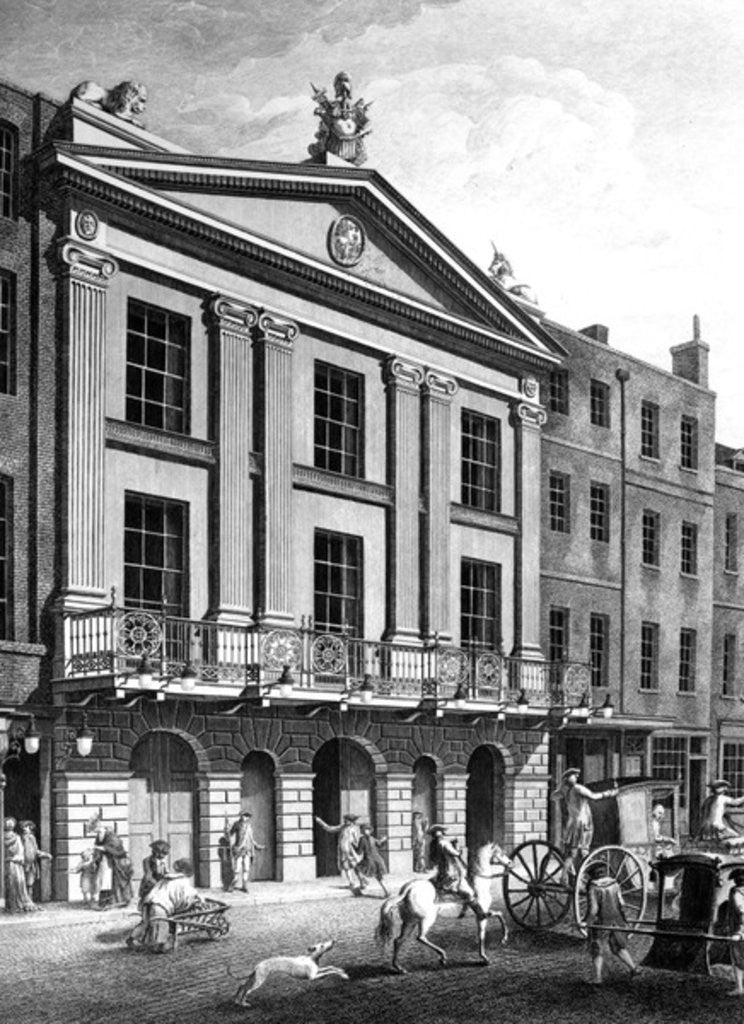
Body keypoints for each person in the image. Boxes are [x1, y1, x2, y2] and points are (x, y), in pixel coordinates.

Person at [127, 858, 203, 953]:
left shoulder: (167, 878)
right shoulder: (182, 882)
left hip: (149, 901)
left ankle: (132, 938)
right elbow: (187, 896)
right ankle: (158, 946)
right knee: (161, 924)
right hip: (160, 905)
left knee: (146, 922)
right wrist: (194, 902)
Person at [553, 769, 618, 879]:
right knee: (579, 851)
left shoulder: (565, 790)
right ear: (568, 778)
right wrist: (610, 793)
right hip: (582, 823)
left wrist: (560, 787)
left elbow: (554, 796)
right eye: (573, 776)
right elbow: (593, 796)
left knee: (574, 851)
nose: (576, 777)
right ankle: (569, 876)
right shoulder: (578, 788)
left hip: (572, 822)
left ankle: (575, 875)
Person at [584, 860, 639, 985]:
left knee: (596, 948)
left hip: (601, 921)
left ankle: (597, 978)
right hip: (617, 918)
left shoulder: (593, 886)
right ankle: (633, 969)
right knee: (618, 946)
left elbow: (594, 909)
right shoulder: (614, 883)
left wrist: (587, 922)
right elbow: (621, 902)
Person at [428, 824, 492, 921]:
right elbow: (456, 854)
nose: (442, 833)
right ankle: (480, 914)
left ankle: (463, 910)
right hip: (451, 872)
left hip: (441, 871)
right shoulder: (444, 843)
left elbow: (433, 859)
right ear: (440, 833)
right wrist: (457, 847)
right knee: (469, 893)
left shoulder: (433, 845)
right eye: (441, 831)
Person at [314, 813, 367, 895]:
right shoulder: (342, 827)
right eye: (345, 820)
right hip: (343, 850)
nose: (345, 821)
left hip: (351, 851)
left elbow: (357, 841)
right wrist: (320, 822)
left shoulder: (354, 829)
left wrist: (358, 850)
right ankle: (352, 882)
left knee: (356, 866)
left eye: (347, 820)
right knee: (346, 867)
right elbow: (330, 828)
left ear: (351, 821)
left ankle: (362, 881)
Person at [92, 823, 134, 907]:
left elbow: (115, 848)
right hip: (106, 861)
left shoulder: (112, 837)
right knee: (104, 881)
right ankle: (105, 902)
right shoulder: (100, 836)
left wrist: (99, 848)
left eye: (99, 831)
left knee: (109, 881)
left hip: (116, 863)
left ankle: (117, 901)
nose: (98, 834)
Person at [3, 818, 37, 913]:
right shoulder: (17, 837)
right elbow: (21, 853)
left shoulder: (19, 837)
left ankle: (13, 905)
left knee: (16, 884)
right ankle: (16, 904)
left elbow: (24, 853)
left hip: (8, 864)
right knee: (17, 884)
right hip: (15, 865)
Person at [228, 811, 264, 893]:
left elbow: (251, 839)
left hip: (247, 850)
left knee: (246, 869)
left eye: (247, 816)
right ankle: (232, 885)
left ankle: (244, 886)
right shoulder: (236, 824)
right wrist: (228, 829)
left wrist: (256, 845)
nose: (245, 817)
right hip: (239, 850)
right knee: (237, 869)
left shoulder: (249, 826)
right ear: (241, 816)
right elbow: (230, 834)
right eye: (244, 815)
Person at [19, 820, 52, 899]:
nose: (25, 829)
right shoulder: (20, 838)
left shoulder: (32, 838)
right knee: (23, 884)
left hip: (31, 865)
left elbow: (35, 851)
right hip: (23, 864)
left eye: (27, 827)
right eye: (24, 827)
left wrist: (45, 855)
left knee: (30, 884)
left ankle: (29, 901)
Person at [724, 868, 744, 996]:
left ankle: (739, 988)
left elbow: (741, 911)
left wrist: (740, 931)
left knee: (737, 958)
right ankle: (740, 987)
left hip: (739, 930)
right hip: (738, 928)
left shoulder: (736, 892)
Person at [356, 823, 389, 897]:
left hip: (369, 860)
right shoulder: (372, 838)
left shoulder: (362, 839)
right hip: (378, 860)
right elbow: (380, 845)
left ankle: (363, 884)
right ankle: (387, 891)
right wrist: (384, 840)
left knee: (357, 868)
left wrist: (353, 845)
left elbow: (359, 852)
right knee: (379, 876)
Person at [138, 840, 170, 907]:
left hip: (160, 886)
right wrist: (158, 885)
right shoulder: (147, 860)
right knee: (148, 903)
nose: (163, 856)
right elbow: (148, 876)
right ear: (156, 852)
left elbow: (166, 872)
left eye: (165, 854)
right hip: (149, 885)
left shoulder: (163, 861)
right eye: (162, 853)